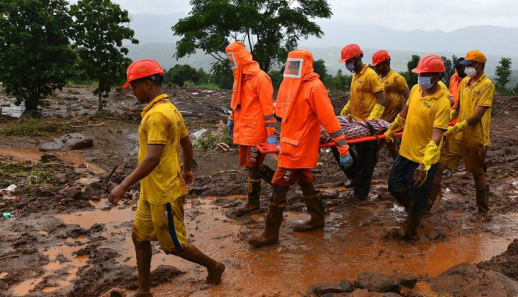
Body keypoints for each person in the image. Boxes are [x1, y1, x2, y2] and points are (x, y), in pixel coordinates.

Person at [108, 59, 224, 296]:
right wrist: (188, 169)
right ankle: (144, 291)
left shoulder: (158, 116)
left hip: (164, 193)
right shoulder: (168, 109)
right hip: (150, 192)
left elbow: (152, 159)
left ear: (148, 84)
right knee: (139, 237)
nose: (132, 90)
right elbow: (187, 143)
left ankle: (215, 267)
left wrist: (124, 184)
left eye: (134, 86)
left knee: (173, 245)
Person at [248, 50, 352, 247]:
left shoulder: (315, 87)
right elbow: (281, 113)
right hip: (289, 143)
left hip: (299, 147)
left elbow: (328, 119)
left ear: (305, 65)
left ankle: (270, 233)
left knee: (279, 185)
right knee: (305, 181)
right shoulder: (290, 84)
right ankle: (317, 218)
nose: (292, 68)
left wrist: (343, 148)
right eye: (290, 64)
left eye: (296, 64)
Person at [383, 55, 451, 240]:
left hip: (423, 159)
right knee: (394, 186)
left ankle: (411, 234)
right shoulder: (415, 90)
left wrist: (425, 163)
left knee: (419, 198)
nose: (420, 78)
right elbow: (405, 113)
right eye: (419, 74)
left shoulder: (442, 103)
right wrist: (392, 128)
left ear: (437, 77)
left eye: (425, 74)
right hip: (405, 152)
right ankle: (414, 211)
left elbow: (437, 135)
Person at [434, 50, 495, 217]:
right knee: (438, 167)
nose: (467, 69)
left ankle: (483, 212)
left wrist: (455, 128)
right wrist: (447, 118)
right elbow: (459, 107)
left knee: (477, 174)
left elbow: (477, 115)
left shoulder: (487, 86)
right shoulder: (465, 82)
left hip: (474, 138)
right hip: (457, 137)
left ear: (479, 65)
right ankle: (426, 208)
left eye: (470, 65)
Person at [225, 42, 277, 217]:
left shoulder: (260, 78)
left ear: (240, 58)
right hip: (244, 130)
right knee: (250, 165)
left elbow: (268, 109)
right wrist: (232, 118)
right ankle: (279, 184)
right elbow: (237, 103)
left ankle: (253, 202)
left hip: (256, 131)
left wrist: (271, 134)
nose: (231, 63)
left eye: (232, 59)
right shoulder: (239, 79)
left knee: (253, 166)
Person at [336, 44, 386, 200]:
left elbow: (381, 99)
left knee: (366, 162)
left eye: (349, 61)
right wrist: (344, 112)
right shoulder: (355, 75)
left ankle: (361, 194)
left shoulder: (371, 75)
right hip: (354, 124)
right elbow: (354, 98)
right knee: (338, 147)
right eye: (345, 62)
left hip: (367, 127)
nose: (347, 65)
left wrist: (371, 121)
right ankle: (356, 177)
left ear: (357, 58)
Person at [371, 50, 410, 160]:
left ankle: (399, 168)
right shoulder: (378, 79)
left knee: (389, 146)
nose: (376, 68)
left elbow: (409, 98)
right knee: (380, 147)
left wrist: (404, 117)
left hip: (392, 121)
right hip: (380, 120)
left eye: (378, 65)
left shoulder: (397, 78)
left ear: (386, 63)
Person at [448, 57, 466, 125]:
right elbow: (449, 94)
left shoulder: (470, 81)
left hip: (463, 118)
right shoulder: (453, 78)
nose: (459, 72)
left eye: (462, 70)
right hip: (452, 116)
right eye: (458, 70)